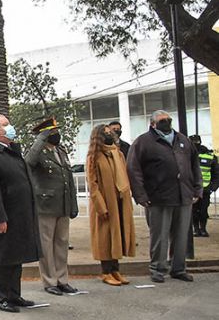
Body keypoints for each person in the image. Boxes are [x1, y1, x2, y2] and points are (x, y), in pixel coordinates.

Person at [0, 114, 41, 312]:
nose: (10, 127)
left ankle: (14, 294)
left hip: (19, 213)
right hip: (4, 215)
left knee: (15, 256)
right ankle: (0, 297)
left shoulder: (10, 151)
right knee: (3, 257)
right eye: (6, 125)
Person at [127, 110, 201, 283]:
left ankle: (178, 268)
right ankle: (158, 269)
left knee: (181, 235)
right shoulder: (143, 142)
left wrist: (197, 189)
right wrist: (141, 195)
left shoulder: (183, 140)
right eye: (162, 121)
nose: (167, 123)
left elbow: (194, 166)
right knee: (159, 236)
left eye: (168, 120)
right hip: (158, 198)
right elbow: (133, 170)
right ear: (152, 124)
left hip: (183, 196)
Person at [25, 117, 79, 295]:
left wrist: (73, 204)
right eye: (52, 132)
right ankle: (50, 281)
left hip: (63, 204)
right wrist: (39, 140)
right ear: (45, 134)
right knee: (46, 245)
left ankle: (62, 279)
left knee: (62, 243)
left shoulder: (60, 151)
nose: (57, 135)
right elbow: (28, 163)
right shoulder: (38, 152)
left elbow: (68, 179)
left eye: (57, 132)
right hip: (46, 205)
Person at [86, 124, 136, 285]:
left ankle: (116, 270)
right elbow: (92, 184)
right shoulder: (94, 156)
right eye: (105, 133)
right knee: (105, 238)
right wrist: (100, 205)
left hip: (120, 201)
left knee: (118, 235)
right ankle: (106, 271)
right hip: (105, 202)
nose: (109, 135)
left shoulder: (118, 154)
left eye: (110, 133)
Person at [189, 135, 219, 237]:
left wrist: (212, 187)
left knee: (203, 210)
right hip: (191, 189)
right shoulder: (185, 155)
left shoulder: (210, 156)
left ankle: (203, 229)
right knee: (193, 210)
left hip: (205, 189)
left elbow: (216, 174)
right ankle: (196, 229)